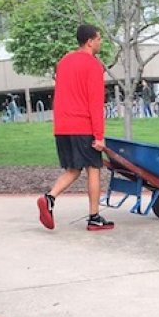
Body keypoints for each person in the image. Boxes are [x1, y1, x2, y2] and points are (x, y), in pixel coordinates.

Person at [37, 24, 114, 232]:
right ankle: (94, 217)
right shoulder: (93, 65)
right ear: (90, 41)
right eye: (99, 39)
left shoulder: (64, 62)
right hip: (82, 125)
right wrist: (99, 136)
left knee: (73, 169)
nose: (100, 42)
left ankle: (49, 198)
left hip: (62, 126)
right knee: (94, 169)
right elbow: (95, 103)